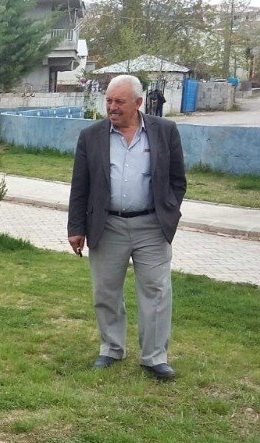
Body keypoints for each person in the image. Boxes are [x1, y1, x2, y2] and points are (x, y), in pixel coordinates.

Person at [68, 74, 186, 381]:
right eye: (108, 100)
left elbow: (177, 179)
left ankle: (154, 357)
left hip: (152, 225)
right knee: (105, 290)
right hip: (107, 225)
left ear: (138, 102)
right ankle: (111, 348)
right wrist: (76, 227)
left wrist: (169, 210)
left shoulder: (165, 131)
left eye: (119, 101)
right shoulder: (91, 136)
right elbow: (80, 186)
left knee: (156, 291)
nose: (112, 107)